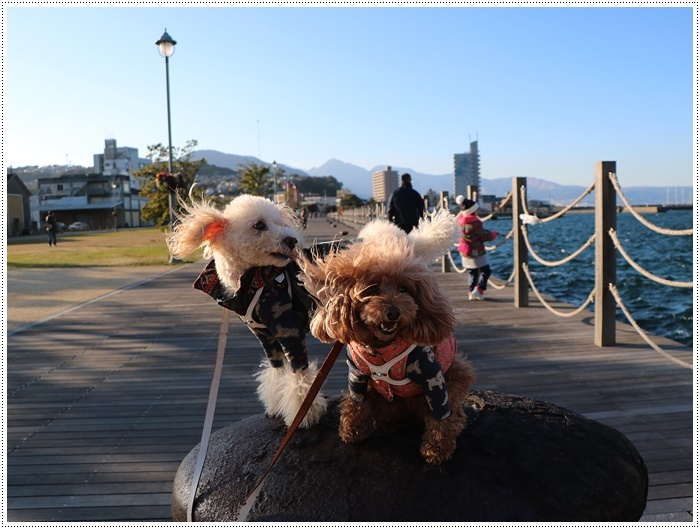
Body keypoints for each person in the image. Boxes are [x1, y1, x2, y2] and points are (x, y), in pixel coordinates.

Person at [456, 195, 498, 301]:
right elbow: (483, 236)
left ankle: (471, 292)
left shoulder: (460, 221)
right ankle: (479, 289)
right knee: (486, 271)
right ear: (473, 211)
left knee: (472, 272)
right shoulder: (475, 223)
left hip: (465, 251)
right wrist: (493, 235)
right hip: (476, 251)